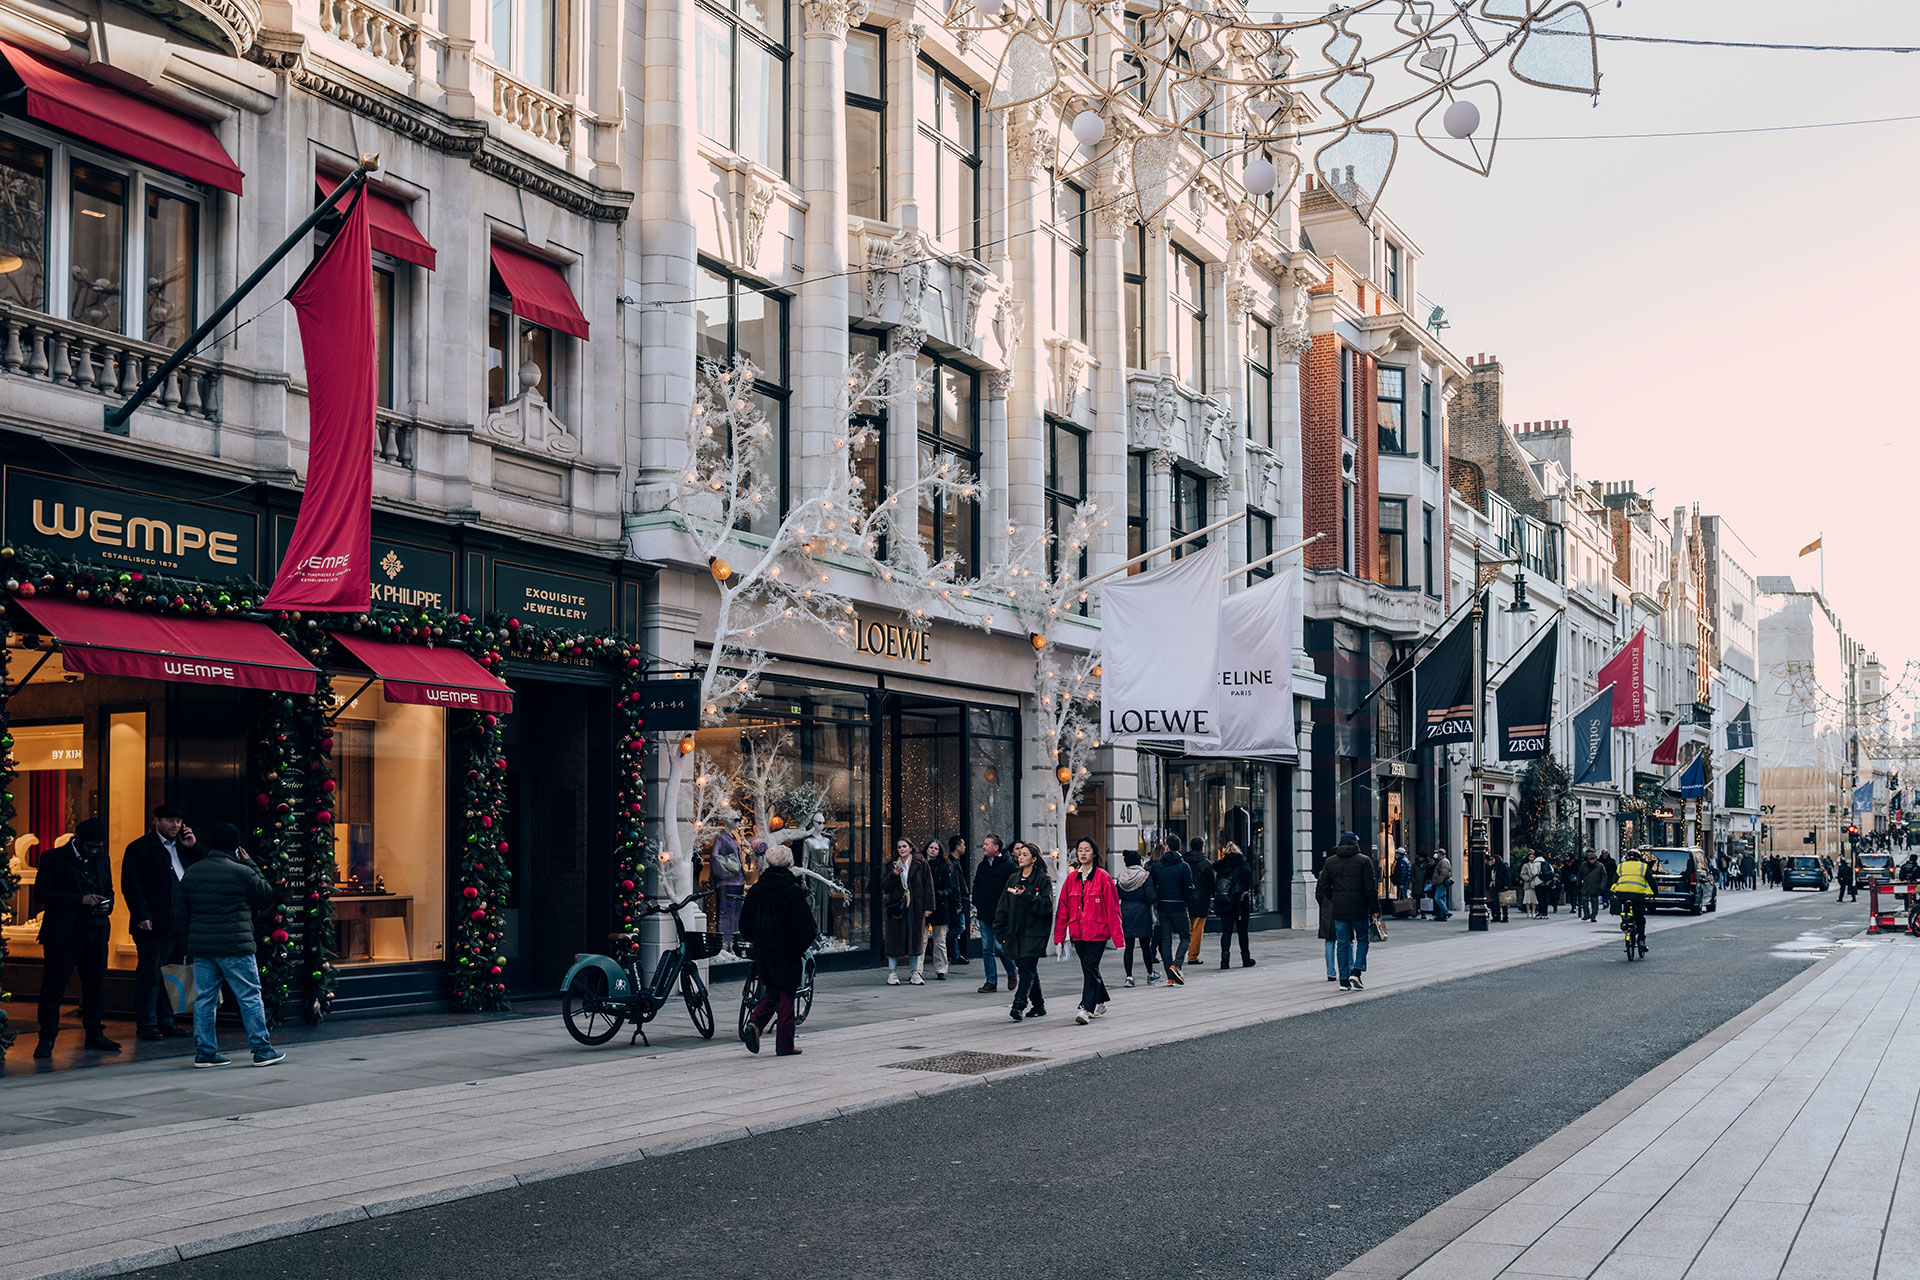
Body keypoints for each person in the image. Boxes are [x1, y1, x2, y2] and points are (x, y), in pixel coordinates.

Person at [173, 824, 283, 1067]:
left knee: (204, 999)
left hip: (202, 948)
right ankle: (262, 1049)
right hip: (236, 945)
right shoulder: (241, 872)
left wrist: (188, 943)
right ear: (236, 846)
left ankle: (206, 1052)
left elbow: (180, 914)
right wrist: (251, 863)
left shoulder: (192, 872)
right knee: (249, 996)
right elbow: (265, 893)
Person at [33, 819, 120, 1059]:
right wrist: (79, 899)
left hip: (95, 930)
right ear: (78, 841)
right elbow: (41, 893)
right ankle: (47, 1036)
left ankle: (94, 1033)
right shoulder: (53, 858)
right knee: (54, 986)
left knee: (95, 985)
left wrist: (107, 905)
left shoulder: (101, 859)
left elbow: (109, 889)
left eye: (98, 846)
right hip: (64, 933)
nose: (94, 851)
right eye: (91, 846)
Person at [121, 805, 201, 1041]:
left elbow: (207, 864)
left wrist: (194, 846)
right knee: (150, 974)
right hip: (154, 922)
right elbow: (131, 885)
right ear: (156, 821)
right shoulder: (140, 848)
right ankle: (147, 1023)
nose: (175, 825)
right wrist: (142, 915)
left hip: (179, 922)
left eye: (178, 821)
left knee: (173, 974)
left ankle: (167, 1022)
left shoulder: (183, 847)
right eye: (169, 820)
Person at [738, 845, 818, 1057]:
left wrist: (757, 941)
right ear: (789, 865)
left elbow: (744, 924)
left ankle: (755, 1024)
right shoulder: (793, 891)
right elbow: (807, 926)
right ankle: (784, 1043)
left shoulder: (756, 890)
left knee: (773, 990)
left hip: (764, 949)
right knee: (787, 995)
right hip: (788, 949)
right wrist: (799, 946)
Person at [1052, 837, 1122, 1024]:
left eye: (1087, 850)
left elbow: (1113, 909)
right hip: (1078, 932)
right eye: (1080, 850)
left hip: (1098, 932)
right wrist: (1059, 937)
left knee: (1090, 966)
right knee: (1089, 969)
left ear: (1094, 853)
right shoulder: (1071, 879)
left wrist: (1118, 938)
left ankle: (1085, 1007)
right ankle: (1100, 1001)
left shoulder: (1103, 877)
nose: (1083, 853)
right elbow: (1063, 910)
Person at [996, 842, 1052, 1020]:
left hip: (1034, 933)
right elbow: (1003, 906)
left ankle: (1019, 1004)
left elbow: (1046, 906)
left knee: (1026, 969)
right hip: (1014, 933)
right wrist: (1000, 930)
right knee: (1027, 968)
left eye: (1025, 854)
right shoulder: (1013, 879)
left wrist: (1027, 896)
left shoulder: (1043, 880)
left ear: (1034, 859)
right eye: (1020, 854)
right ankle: (1039, 1004)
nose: (1020, 856)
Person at [1317, 833, 1377, 990]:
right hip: (1359, 908)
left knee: (1342, 943)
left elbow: (1323, 886)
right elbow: (1370, 888)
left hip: (1339, 909)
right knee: (1363, 939)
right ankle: (1356, 971)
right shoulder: (1364, 861)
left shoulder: (1330, 862)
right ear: (1356, 843)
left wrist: (1335, 898)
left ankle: (1343, 980)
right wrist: (1375, 909)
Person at [882, 838, 934, 985]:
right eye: (899, 847)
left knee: (915, 939)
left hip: (915, 906)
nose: (901, 849)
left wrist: (929, 907)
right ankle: (892, 973)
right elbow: (884, 886)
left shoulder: (921, 863)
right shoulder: (891, 864)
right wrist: (893, 875)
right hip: (897, 906)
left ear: (910, 847)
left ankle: (915, 973)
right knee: (894, 939)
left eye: (904, 846)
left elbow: (928, 885)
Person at [971, 834, 1016, 993]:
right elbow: (976, 886)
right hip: (984, 913)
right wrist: (976, 901)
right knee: (986, 948)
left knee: (999, 947)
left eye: (986, 844)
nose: (983, 847)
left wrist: (1007, 907)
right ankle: (991, 981)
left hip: (1001, 915)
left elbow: (1013, 888)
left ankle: (1012, 971)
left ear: (996, 847)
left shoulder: (1008, 866)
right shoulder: (982, 866)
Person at [1148, 836, 1193, 985]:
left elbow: (1152, 886)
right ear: (1179, 848)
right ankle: (1177, 964)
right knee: (1185, 937)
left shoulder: (1157, 867)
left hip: (1163, 907)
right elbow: (1189, 888)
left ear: (1167, 847)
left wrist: (1156, 900)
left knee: (1166, 941)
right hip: (1179, 906)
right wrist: (1186, 899)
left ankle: (1170, 977)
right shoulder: (1184, 866)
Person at [1116, 850, 1159, 987]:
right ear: (1139, 861)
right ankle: (1150, 973)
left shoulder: (1121, 877)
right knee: (1145, 946)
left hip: (1126, 913)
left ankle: (1129, 977)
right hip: (1142, 913)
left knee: (1129, 947)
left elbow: (1117, 895)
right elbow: (1151, 897)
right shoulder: (1144, 876)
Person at [1211, 841, 1257, 968]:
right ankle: (1245, 958)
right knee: (1243, 932)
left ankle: (1224, 961)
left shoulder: (1221, 865)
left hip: (1225, 902)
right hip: (1240, 901)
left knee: (1226, 932)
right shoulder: (1242, 863)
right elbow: (1247, 877)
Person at [922, 838, 960, 980]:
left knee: (940, 941)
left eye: (936, 848)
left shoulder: (943, 866)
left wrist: (942, 893)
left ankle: (941, 969)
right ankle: (917, 970)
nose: (933, 850)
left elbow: (950, 887)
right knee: (922, 940)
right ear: (926, 849)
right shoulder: (920, 864)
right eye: (931, 847)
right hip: (924, 905)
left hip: (940, 906)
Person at [1610, 847, 1656, 955]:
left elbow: (1614, 880)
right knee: (1640, 918)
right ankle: (1641, 940)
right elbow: (1651, 881)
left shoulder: (1620, 866)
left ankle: (1626, 922)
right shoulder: (1643, 867)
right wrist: (1655, 892)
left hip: (1622, 894)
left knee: (1625, 908)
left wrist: (1613, 892)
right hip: (1638, 895)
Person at [1183, 837, 1215, 967]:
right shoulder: (1206, 863)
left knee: (1188, 928)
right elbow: (1211, 884)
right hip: (1201, 899)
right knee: (1197, 929)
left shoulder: (1184, 861)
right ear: (1202, 847)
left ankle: (1185, 953)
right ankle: (1192, 955)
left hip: (1186, 898)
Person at [946, 835, 972, 967]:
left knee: (955, 927)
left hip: (958, 900)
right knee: (959, 927)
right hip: (957, 901)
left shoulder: (955, 861)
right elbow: (954, 885)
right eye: (963, 844)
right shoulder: (953, 863)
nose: (964, 847)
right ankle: (941, 945)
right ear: (957, 847)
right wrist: (958, 903)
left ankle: (955, 955)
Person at [1428, 848, 1454, 922]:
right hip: (1441, 883)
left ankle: (1446, 912)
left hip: (1441, 883)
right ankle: (1442, 915)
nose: (1437, 855)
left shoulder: (1444, 862)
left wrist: (1438, 881)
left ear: (1441, 854)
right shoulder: (1442, 861)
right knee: (1442, 898)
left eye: (1438, 853)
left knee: (1437, 898)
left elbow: (1444, 873)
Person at [1580, 854, 1608, 922]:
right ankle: (1586, 914)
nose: (1591, 861)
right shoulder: (1584, 865)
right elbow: (1580, 874)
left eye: (1592, 859)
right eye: (1590, 859)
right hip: (1586, 885)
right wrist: (1578, 883)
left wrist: (1602, 886)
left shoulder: (1600, 866)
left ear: (1595, 858)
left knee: (1594, 901)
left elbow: (1604, 876)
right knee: (1584, 900)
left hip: (1595, 885)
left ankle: (1593, 915)